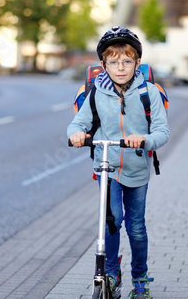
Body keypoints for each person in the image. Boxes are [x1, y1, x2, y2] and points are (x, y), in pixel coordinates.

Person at [67, 26, 170, 299]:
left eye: (127, 61)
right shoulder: (95, 92)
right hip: (107, 166)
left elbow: (162, 131)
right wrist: (76, 134)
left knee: (136, 227)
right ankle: (112, 273)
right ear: (104, 65)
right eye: (113, 62)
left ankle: (140, 278)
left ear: (137, 62)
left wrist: (145, 140)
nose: (120, 67)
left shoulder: (150, 92)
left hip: (137, 168)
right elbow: (79, 123)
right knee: (111, 222)